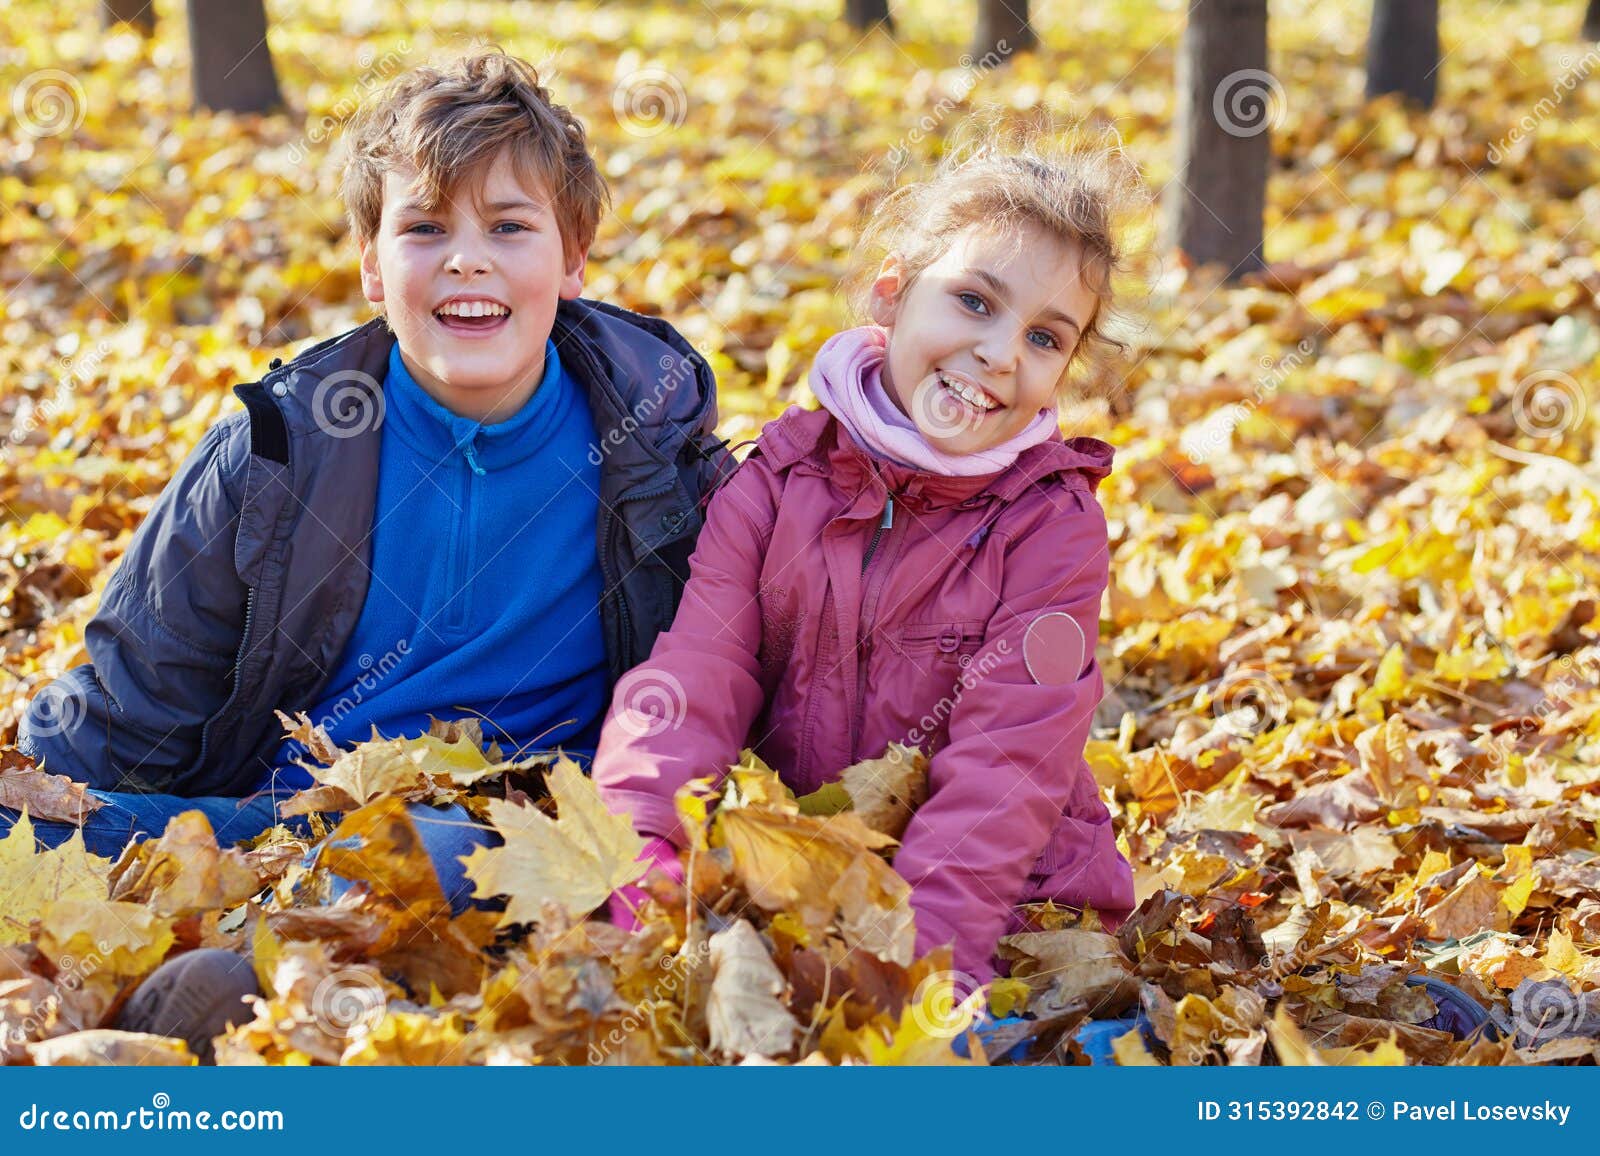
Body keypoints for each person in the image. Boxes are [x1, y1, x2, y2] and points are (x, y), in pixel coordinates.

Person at [5, 50, 729, 1060]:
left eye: (508, 228)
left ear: (573, 260)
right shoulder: (279, 448)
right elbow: (136, 686)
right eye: (425, 228)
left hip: (509, 831)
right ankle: (234, 967)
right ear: (369, 262)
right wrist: (36, 804)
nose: (466, 260)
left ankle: (254, 989)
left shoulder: (654, 448)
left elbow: (769, 639)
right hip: (266, 819)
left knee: (420, 857)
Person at [593, 127, 1148, 989]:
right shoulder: (776, 481)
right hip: (814, 883)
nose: (1000, 352)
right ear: (892, 297)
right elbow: (696, 677)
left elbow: (1008, 766)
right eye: (974, 301)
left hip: (1012, 916)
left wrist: (924, 973)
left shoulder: (1052, 528)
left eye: (1046, 338)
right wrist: (638, 858)